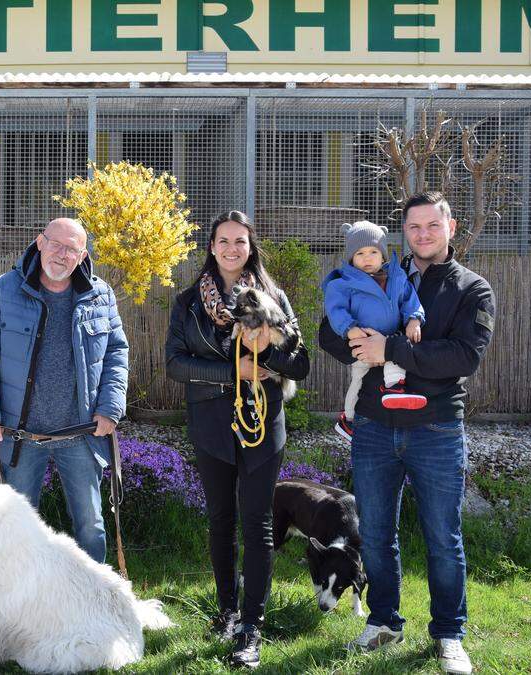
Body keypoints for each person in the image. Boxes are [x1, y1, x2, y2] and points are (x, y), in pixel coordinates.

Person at [318, 192, 495, 675]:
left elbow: (462, 358)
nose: (422, 235)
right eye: (413, 227)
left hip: (436, 427)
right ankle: (384, 622)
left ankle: (449, 635)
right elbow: (326, 335)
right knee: (374, 535)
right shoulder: (370, 274)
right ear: (404, 233)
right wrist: (356, 341)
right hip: (375, 427)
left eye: (431, 226)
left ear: (450, 227)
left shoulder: (471, 289)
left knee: (443, 536)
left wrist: (390, 349)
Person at [164, 210, 310, 669]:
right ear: (211, 247)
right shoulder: (188, 304)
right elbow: (175, 364)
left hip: (263, 426)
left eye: (240, 242)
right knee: (221, 521)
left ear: (251, 248)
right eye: (223, 241)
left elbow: (301, 365)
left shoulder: (274, 297)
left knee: (258, 524)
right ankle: (227, 611)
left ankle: (252, 625)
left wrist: (268, 349)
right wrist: (234, 371)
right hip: (211, 426)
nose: (231, 249)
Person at [0, 217, 128, 564]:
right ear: (39, 242)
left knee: (91, 527)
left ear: (82, 255)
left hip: (81, 433)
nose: (61, 254)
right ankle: (20, 607)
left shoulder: (101, 296)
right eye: (56, 244)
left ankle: (91, 603)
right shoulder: (3, 291)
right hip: (20, 435)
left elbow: (117, 354)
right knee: (16, 530)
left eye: (72, 248)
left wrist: (110, 408)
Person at [322, 220, 427, 442]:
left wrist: (414, 319)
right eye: (360, 253)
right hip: (362, 340)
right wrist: (349, 328)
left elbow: (410, 300)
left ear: (383, 255)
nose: (367, 258)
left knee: (396, 362)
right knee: (358, 380)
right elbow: (336, 309)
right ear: (351, 258)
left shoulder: (397, 278)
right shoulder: (343, 283)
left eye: (373, 251)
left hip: (390, 339)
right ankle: (348, 420)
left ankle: (395, 391)